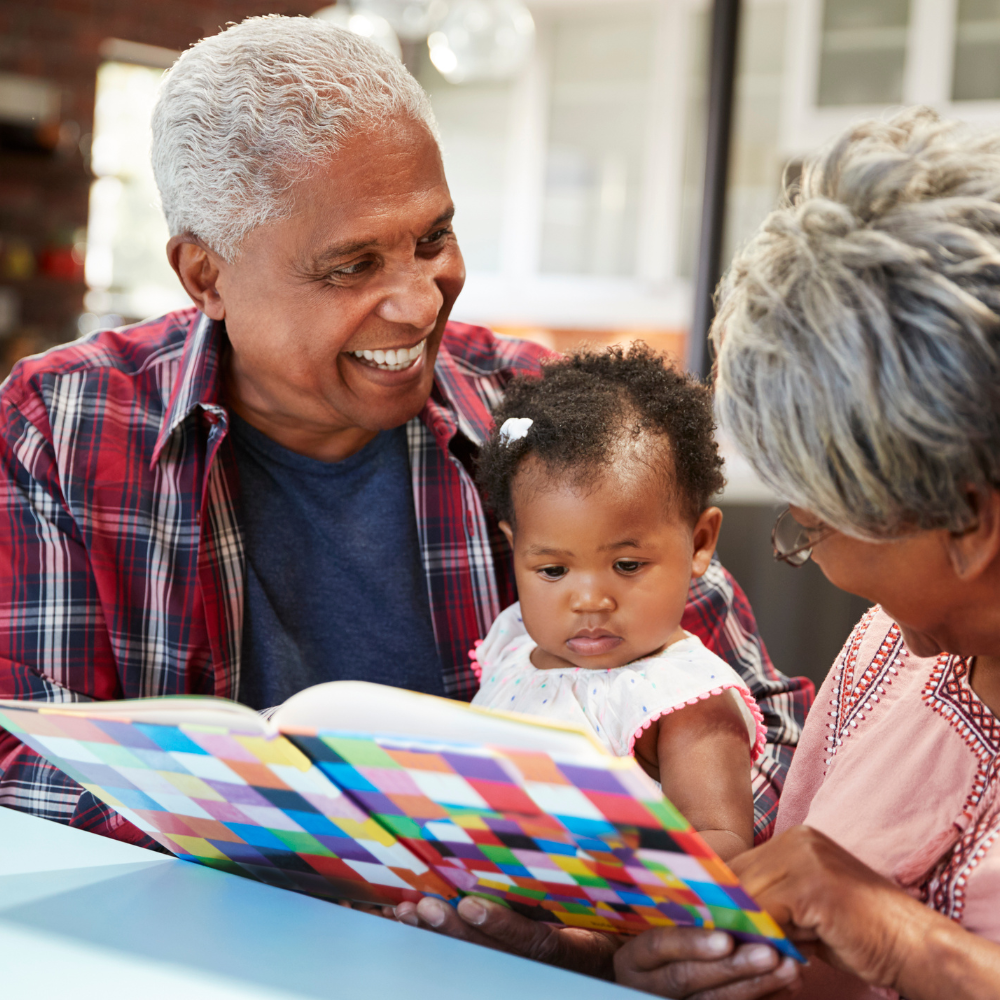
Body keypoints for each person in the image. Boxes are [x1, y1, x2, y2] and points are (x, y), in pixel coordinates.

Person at [0, 14, 810, 872]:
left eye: (432, 240)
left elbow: (769, 729)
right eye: (352, 267)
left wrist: (667, 847)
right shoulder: (61, 427)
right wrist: (338, 851)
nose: (421, 304)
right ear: (207, 275)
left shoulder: (550, 419)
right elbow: (25, 763)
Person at [615, 107, 1000, 998]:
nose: (815, 554)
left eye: (816, 528)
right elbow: (793, 946)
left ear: (969, 520)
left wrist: (912, 945)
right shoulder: (882, 661)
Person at [469, 346, 765, 861]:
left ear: (699, 545)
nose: (589, 600)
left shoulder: (684, 697)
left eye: (627, 566)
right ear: (513, 548)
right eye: (553, 570)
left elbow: (722, 847)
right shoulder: (513, 645)